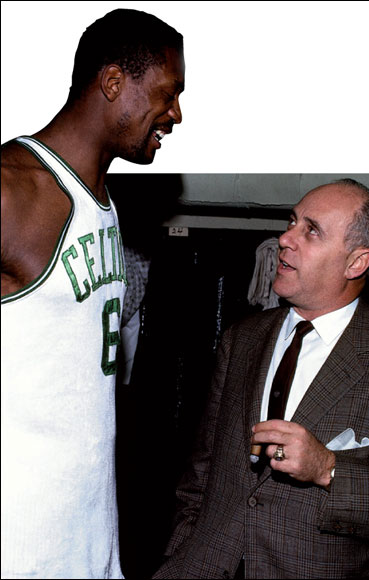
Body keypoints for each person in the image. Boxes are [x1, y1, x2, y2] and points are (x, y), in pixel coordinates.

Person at [152, 179, 369, 579]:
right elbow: (203, 468)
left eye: (311, 230)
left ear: (356, 263)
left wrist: (328, 468)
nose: (285, 238)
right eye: (292, 222)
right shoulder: (242, 339)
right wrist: (182, 549)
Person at [1, 8, 184, 579]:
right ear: (112, 84)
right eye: (167, 93)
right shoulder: (12, 190)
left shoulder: (100, 198)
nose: (176, 113)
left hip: (86, 534)